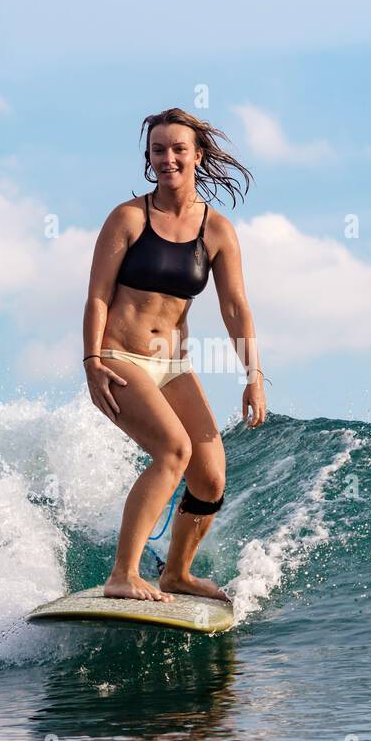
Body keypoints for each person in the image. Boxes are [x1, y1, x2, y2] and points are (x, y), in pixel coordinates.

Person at [82, 108, 267, 602]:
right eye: (158, 150)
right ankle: (123, 573)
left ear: (197, 155)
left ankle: (176, 574)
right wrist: (91, 362)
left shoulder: (217, 230)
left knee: (209, 477)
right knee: (173, 451)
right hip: (121, 355)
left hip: (173, 363)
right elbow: (98, 294)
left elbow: (234, 307)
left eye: (178, 149)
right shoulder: (128, 218)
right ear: (149, 158)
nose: (168, 158)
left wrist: (254, 375)